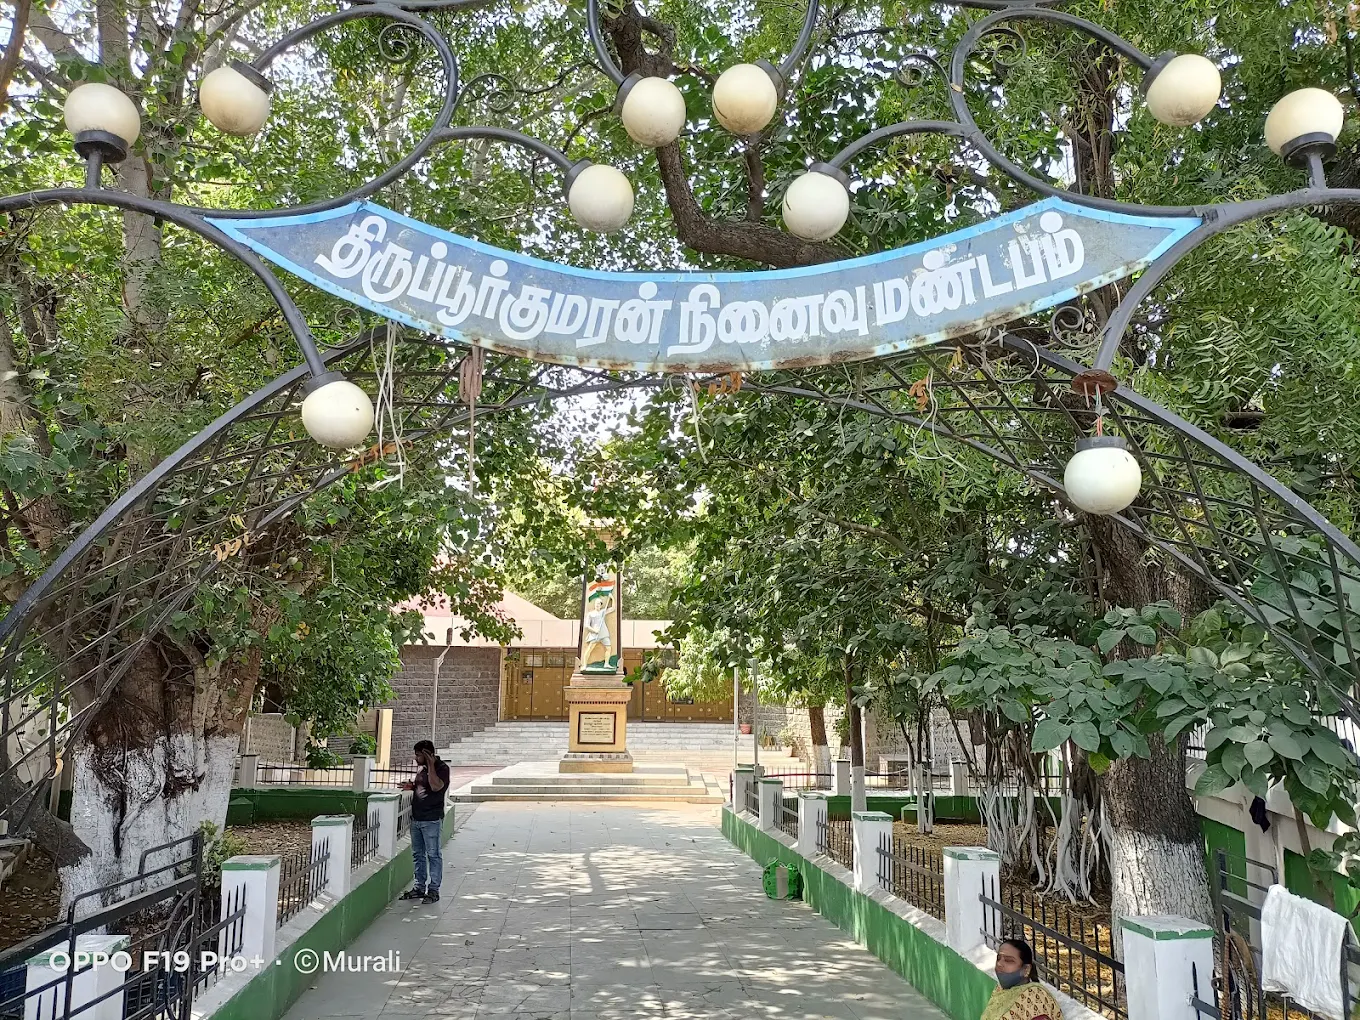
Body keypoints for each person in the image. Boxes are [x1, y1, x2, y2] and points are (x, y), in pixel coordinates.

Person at [398, 740, 449, 904]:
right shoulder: (422, 769)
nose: (415, 757)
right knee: (417, 855)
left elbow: (435, 787)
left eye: (419, 754)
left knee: (433, 855)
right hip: (417, 819)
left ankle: (433, 890)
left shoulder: (441, 769)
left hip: (431, 820)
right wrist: (411, 786)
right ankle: (419, 887)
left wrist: (431, 764)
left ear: (427, 754)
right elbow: (423, 787)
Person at [981, 938, 1062, 1020]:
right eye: (998, 958)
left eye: (1008, 960)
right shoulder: (1000, 991)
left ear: (1026, 969)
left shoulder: (1034, 996)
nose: (999, 964)